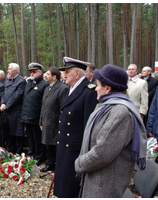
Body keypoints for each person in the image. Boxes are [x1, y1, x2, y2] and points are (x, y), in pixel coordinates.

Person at [74, 64, 147, 198]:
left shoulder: (119, 113)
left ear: (107, 88)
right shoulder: (106, 107)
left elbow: (102, 153)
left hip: (104, 184)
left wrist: (79, 163)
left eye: (98, 85)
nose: (96, 88)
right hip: (98, 178)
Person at [53, 57, 98, 198]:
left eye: (67, 72)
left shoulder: (89, 91)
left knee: (71, 187)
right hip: (65, 146)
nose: (63, 75)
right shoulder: (70, 89)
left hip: (76, 149)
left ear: (77, 74)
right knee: (63, 183)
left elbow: (89, 126)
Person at [39, 67, 69, 172]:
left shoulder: (62, 88)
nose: (45, 75)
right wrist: (41, 121)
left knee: (55, 145)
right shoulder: (47, 88)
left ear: (54, 77)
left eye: (48, 74)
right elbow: (43, 106)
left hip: (55, 123)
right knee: (48, 145)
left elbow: (63, 108)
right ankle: (50, 164)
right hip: (46, 121)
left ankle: (57, 166)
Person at [21, 62, 49, 166]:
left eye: (34, 72)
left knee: (38, 139)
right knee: (30, 138)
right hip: (27, 116)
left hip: (36, 117)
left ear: (40, 73)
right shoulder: (28, 83)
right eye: (31, 72)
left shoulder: (44, 84)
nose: (32, 74)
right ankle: (32, 154)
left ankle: (39, 156)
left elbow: (43, 103)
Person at [0, 63, 26, 155]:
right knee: (9, 131)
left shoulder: (21, 81)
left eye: (9, 69)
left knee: (17, 132)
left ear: (15, 71)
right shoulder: (7, 81)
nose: (8, 70)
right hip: (6, 112)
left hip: (16, 111)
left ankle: (18, 152)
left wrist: (7, 105)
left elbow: (17, 96)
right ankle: (11, 151)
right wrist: (2, 103)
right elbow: (3, 93)